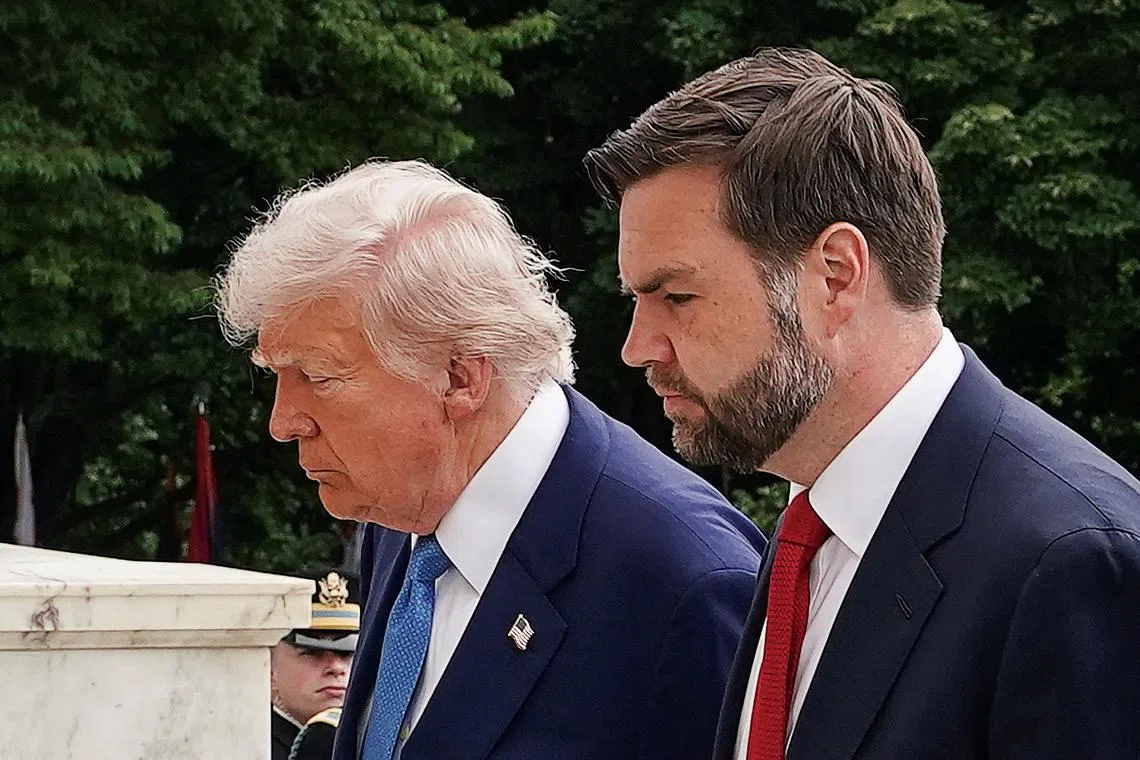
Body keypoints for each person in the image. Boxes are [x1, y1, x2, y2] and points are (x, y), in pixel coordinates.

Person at [584, 46, 1140, 760]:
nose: (639, 346)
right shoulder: (811, 530)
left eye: (677, 296)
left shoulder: (1072, 563)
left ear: (836, 276)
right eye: (637, 299)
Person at [215, 159, 766, 760]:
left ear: (460, 378)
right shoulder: (404, 514)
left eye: (317, 376)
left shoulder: (687, 581)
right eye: (276, 377)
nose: (281, 422)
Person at [271, 569, 360, 760]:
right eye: (312, 653)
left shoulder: (373, 740)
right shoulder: (247, 744)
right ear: (270, 668)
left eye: (348, 653)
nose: (336, 667)